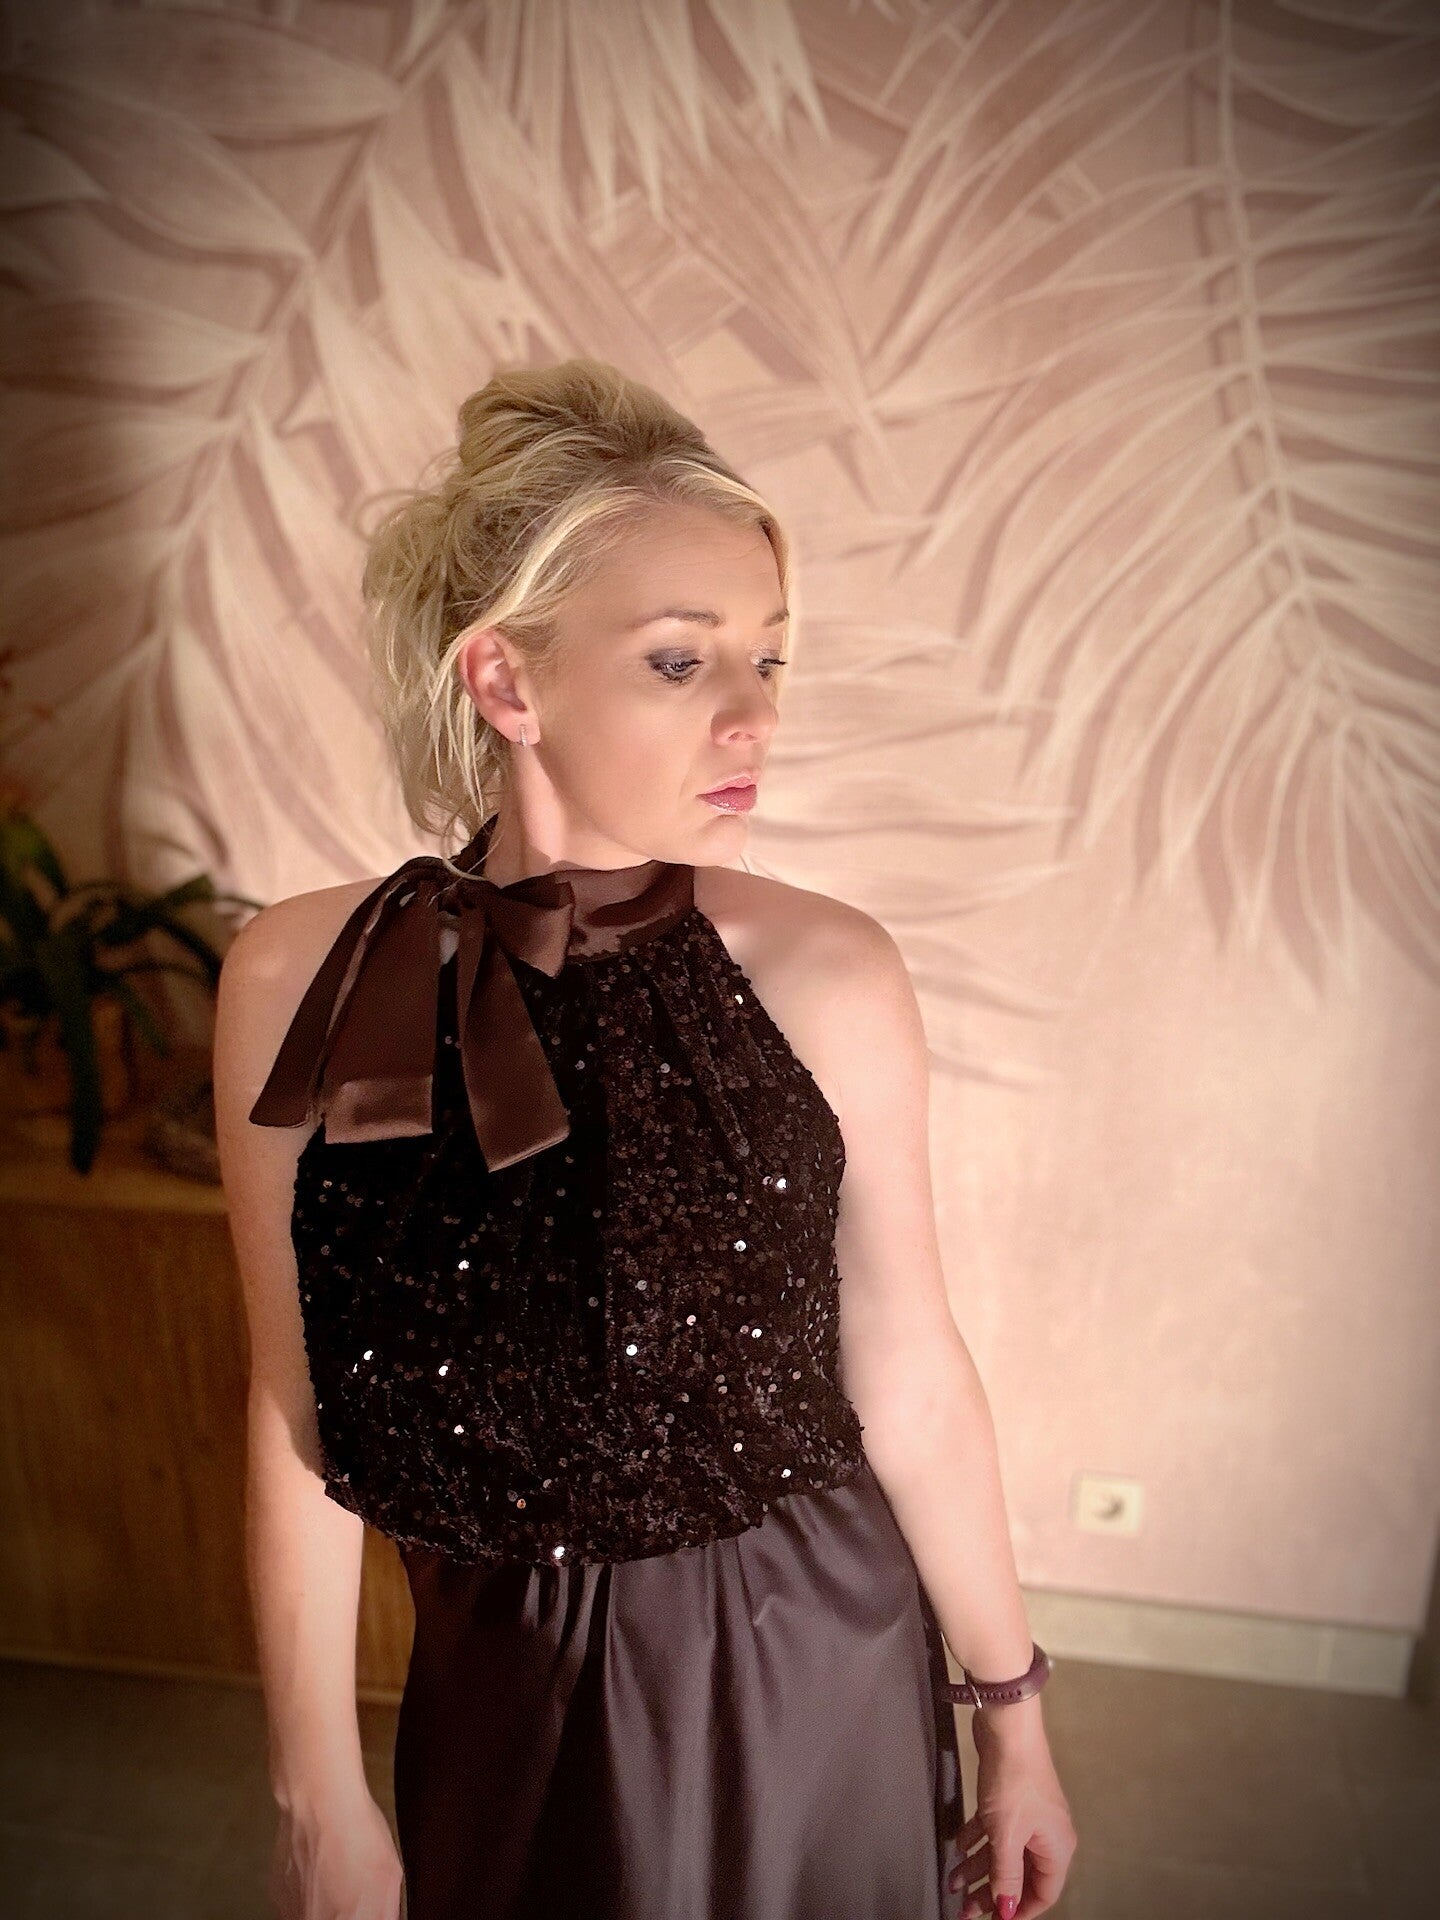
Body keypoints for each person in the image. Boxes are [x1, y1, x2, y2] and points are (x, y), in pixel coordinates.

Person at [213, 358, 1077, 1920]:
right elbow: (295, 1406)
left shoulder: (826, 972)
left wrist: (1013, 1716)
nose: (756, 715)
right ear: (507, 683)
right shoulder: (299, 975)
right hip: (494, 1679)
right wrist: (312, 1786)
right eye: (682, 661)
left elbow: (910, 1372)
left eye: (770, 657)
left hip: (802, 1668)